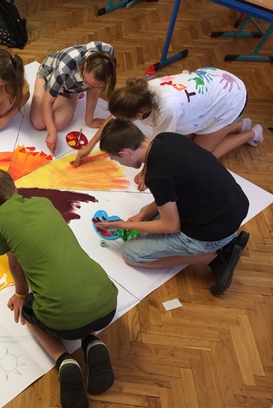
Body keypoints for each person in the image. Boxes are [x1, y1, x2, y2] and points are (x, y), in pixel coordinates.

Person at [0, 168, 118, 408]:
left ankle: (64, 359)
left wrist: (20, 294)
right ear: (14, 188)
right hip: (107, 301)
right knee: (72, 287)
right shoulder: (43, 202)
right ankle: (92, 341)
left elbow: (14, 264)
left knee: (28, 310)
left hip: (64, 321)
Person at [95, 118, 250, 296]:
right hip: (231, 210)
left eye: (116, 159)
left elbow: (171, 226)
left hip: (212, 232)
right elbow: (174, 189)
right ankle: (225, 242)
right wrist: (142, 216)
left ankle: (215, 257)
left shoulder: (157, 176)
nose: (119, 164)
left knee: (131, 255)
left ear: (125, 153)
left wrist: (122, 225)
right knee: (144, 213)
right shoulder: (167, 139)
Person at [73, 67, 263, 168]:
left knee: (199, 159)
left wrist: (146, 172)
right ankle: (236, 126)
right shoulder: (139, 93)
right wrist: (89, 147)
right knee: (189, 141)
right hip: (214, 82)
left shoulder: (167, 110)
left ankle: (251, 133)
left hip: (229, 97)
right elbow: (114, 117)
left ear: (138, 115)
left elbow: (159, 146)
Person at [30, 41, 116, 155]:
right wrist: (51, 132)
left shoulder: (107, 60)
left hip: (70, 88)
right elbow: (47, 102)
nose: (89, 87)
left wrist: (89, 121)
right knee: (39, 123)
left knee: (58, 123)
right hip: (49, 75)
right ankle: (71, 91)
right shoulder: (65, 68)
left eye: (95, 85)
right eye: (87, 81)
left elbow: (94, 93)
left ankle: (75, 93)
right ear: (85, 65)